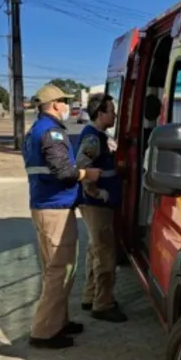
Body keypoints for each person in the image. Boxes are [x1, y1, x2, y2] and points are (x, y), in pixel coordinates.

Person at [23, 83, 103, 349]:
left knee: (55, 269)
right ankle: (44, 332)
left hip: (45, 205)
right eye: (65, 102)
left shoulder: (36, 130)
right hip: (55, 208)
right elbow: (64, 172)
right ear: (55, 104)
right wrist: (87, 174)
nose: (68, 106)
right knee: (60, 271)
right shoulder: (52, 133)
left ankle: (59, 321)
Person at [76, 93, 128, 323]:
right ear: (100, 113)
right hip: (97, 205)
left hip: (97, 205)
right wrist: (99, 193)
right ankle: (103, 304)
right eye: (111, 110)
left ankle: (90, 296)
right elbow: (82, 170)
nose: (115, 114)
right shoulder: (92, 139)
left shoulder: (99, 136)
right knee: (105, 255)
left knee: (95, 251)